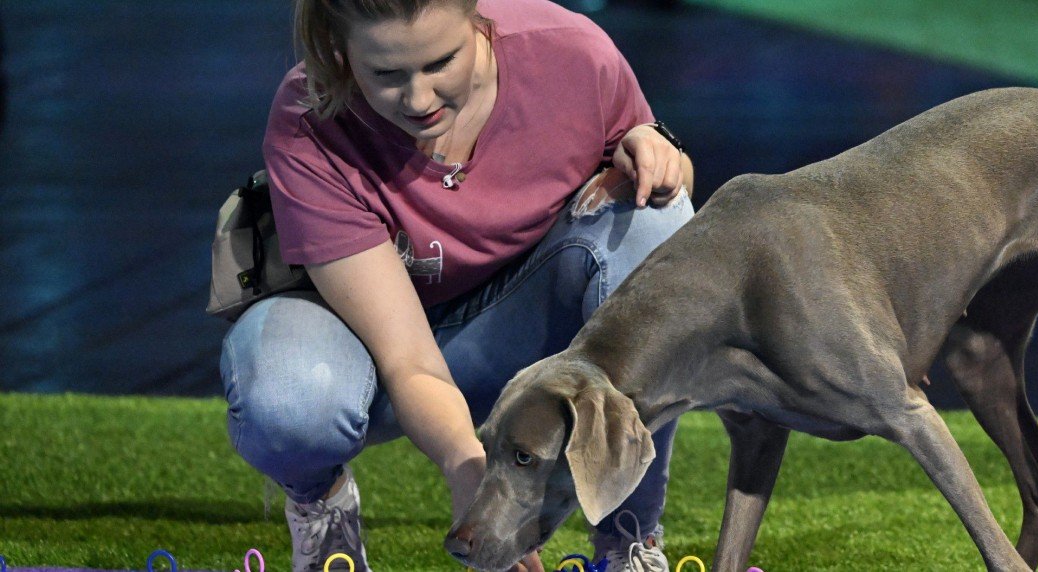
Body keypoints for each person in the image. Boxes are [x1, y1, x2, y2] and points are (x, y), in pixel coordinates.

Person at [218, 0, 694, 570]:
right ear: (340, 54)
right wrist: (474, 478)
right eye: (386, 74)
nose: (418, 100)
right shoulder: (309, 118)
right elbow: (409, 360)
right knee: (289, 400)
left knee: (655, 225)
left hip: (513, 329)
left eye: (441, 61)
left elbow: (672, 191)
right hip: (373, 350)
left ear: (480, 21)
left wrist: (665, 163)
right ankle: (321, 506)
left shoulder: (571, 52)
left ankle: (628, 537)